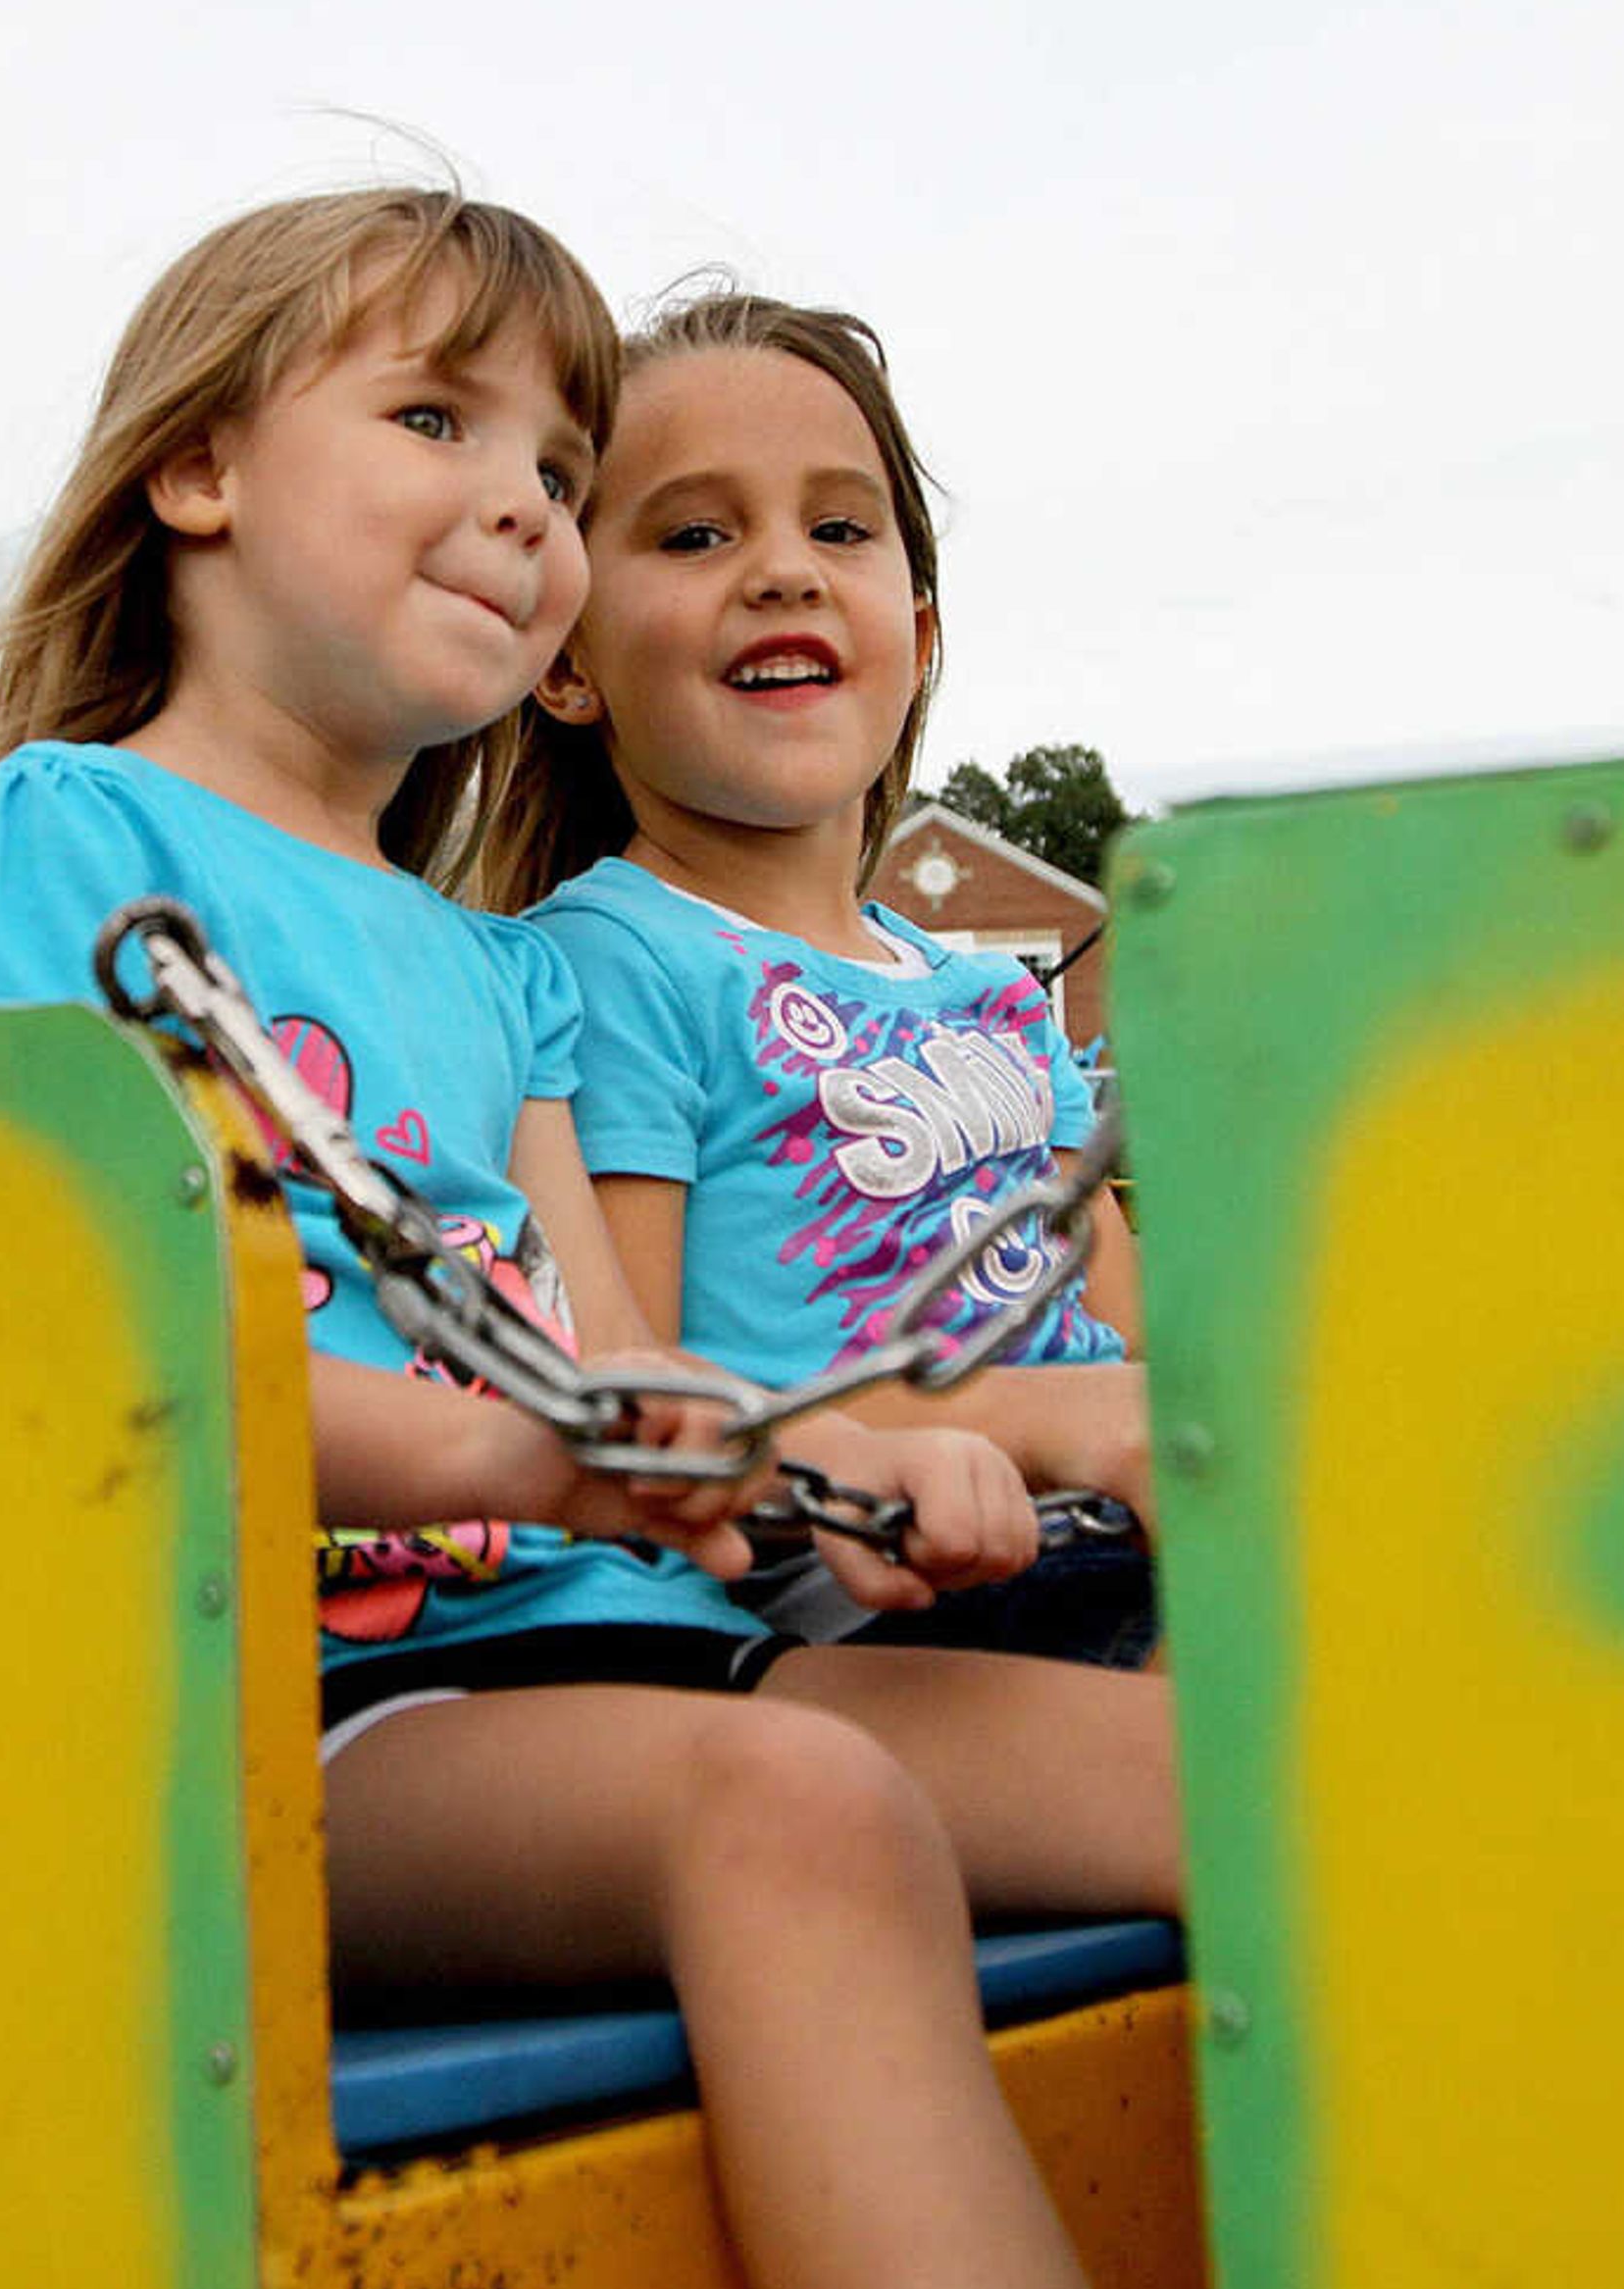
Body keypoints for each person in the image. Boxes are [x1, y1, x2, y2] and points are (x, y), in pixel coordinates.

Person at [0, 189, 1169, 2289]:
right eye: (436, 421)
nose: (522, 503)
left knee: (1232, 1767)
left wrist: (851, 1471)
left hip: (619, 1652)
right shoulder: (63, 845)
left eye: (560, 471)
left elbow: (622, 1372)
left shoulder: (498, 977)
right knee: (794, 1819)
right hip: (291, 1709)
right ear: (196, 470)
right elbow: (53, 1368)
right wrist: (499, 1458)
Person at [482, 294, 1159, 1665]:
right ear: (565, 660)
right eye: (695, 533)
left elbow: (1138, 1371)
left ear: (916, 631)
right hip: (857, 1581)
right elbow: (644, 1416)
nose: (783, 569)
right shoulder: (606, 965)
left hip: (1120, 1534)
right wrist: (1044, 1430)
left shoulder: (992, 1000)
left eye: (838, 527)